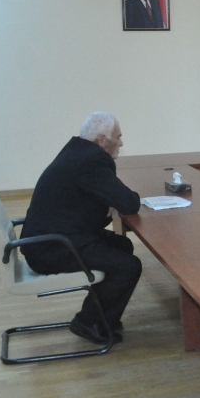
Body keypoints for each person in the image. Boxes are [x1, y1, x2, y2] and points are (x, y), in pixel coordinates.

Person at [20, 111, 142, 345]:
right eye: (118, 137)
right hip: (52, 248)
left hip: (49, 239)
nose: (121, 143)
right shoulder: (92, 161)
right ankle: (88, 322)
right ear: (102, 140)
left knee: (123, 245)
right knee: (128, 266)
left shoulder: (77, 151)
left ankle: (104, 317)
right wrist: (114, 202)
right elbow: (129, 203)